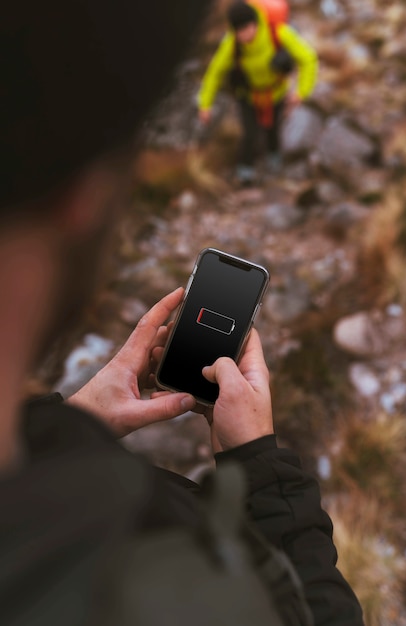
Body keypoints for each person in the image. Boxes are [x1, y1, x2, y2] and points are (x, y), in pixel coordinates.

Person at [0, 1, 363, 625]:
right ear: (84, 198)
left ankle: (265, 155)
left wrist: (62, 428)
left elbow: (302, 62)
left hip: (273, 100)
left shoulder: (277, 45)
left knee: (265, 128)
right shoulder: (164, 588)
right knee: (256, 130)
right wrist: (262, 470)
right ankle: (258, 157)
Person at [197, 1, 318, 185]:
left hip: (276, 93)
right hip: (248, 96)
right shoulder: (231, 44)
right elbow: (215, 73)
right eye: (238, 30)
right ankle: (245, 173)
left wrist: (301, 92)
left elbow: (308, 59)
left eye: (246, 28)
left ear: (255, 23)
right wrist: (205, 104)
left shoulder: (278, 33)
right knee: (249, 133)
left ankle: (274, 159)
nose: (243, 34)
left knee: (272, 129)